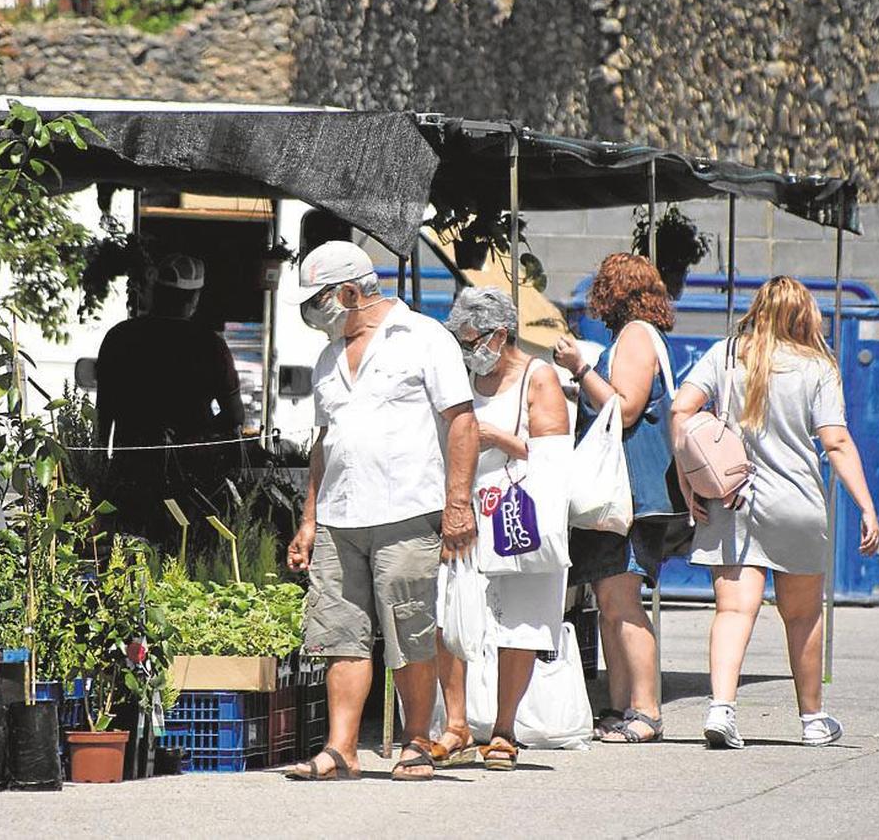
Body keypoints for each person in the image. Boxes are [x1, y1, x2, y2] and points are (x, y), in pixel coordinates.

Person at [285, 241, 479, 782]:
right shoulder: (328, 357)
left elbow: (461, 421)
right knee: (339, 634)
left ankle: (418, 741)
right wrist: (309, 518)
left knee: (411, 634)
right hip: (339, 519)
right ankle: (340, 748)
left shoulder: (424, 338)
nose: (311, 310)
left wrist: (458, 504)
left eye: (318, 298)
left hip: (406, 512)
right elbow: (324, 444)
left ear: (351, 291)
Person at [671, 275, 879, 749]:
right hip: (798, 503)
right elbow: (836, 441)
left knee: (732, 609)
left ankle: (722, 709)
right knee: (803, 616)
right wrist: (866, 507)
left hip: (732, 499)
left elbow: (681, 411)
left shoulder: (726, 355)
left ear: (757, 309)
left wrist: (689, 477)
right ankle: (812, 721)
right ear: (803, 315)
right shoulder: (818, 367)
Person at [433, 287, 570, 771]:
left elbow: (553, 454)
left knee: (521, 621)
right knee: (450, 614)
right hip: (464, 509)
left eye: (474, 341)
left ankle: (504, 729)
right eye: (462, 342)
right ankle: (455, 725)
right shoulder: (459, 377)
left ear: (501, 334)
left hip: (519, 515)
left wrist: (495, 437)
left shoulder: (538, 377)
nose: (470, 351)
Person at [552, 253, 687, 744]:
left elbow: (625, 408)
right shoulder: (638, 335)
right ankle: (618, 705)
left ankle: (646, 710)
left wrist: (581, 366)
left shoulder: (634, 336)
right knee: (611, 603)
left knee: (622, 602)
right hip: (624, 493)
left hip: (629, 493)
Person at [96, 254, 244, 549]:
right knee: (186, 557)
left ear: (155, 294)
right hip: (194, 482)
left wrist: (102, 471)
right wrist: (195, 436)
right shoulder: (210, 345)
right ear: (194, 299)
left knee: (129, 556)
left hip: (131, 475)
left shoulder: (119, 338)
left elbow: (104, 416)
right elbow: (234, 415)